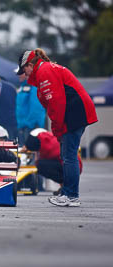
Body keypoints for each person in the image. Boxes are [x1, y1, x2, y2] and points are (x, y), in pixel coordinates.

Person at [16, 48, 97, 207]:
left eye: (24, 69)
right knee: (68, 155)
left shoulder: (44, 71)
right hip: (75, 113)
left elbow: (56, 104)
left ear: (30, 64)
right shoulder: (44, 70)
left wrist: (57, 130)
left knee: (69, 156)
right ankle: (67, 193)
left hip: (74, 114)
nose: (24, 74)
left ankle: (71, 196)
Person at [22, 128, 83, 196]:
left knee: (40, 165)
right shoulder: (50, 138)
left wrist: (27, 147)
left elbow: (42, 156)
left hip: (70, 167)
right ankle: (65, 187)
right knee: (43, 163)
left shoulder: (47, 145)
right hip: (75, 166)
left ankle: (65, 187)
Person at [16, 72, 46, 146]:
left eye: (20, 73)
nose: (18, 75)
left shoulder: (34, 86)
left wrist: (30, 125)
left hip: (31, 127)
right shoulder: (23, 87)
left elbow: (36, 108)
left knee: (31, 151)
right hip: (24, 127)